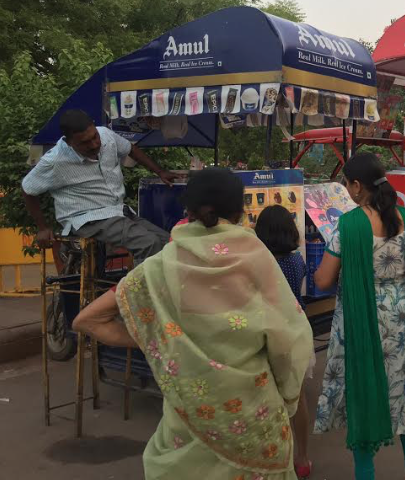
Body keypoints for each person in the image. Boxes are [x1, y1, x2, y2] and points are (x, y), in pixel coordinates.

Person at [73, 168, 314, 480]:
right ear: (239, 211)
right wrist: (289, 398)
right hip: (255, 424)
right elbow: (288, 343)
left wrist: (161, 338)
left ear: (188, 211)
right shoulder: (257, 259)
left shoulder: (160, 267)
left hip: (188, 425)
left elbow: (87, 320)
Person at [313, 153, 405, 480]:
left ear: (357, 186)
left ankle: (366, 473)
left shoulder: (350, 225)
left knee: (364, 393)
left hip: (363, 320)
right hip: (404, 322)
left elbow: (323, 280)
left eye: (347, 185)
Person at [22, 109, 175, 265]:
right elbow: (28, 189)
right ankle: (139, 289)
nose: (94, 144)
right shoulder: (55, 160)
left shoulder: (106, 135)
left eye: (94, 137)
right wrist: (42, 228)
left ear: (94, 127)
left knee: (170, 243)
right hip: (87, 219)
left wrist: (160, 171)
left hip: (118, 211)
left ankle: (164, 287)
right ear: (69, 142)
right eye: (85, 143)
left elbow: (131, 149)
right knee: (148, 244)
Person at [255, 205, 313, 479]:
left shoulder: (263, 265)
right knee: (298, 397)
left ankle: (275, 458)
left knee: (268, 399)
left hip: (269, 335)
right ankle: (302, 457)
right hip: (297, 331)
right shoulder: (296, 261)